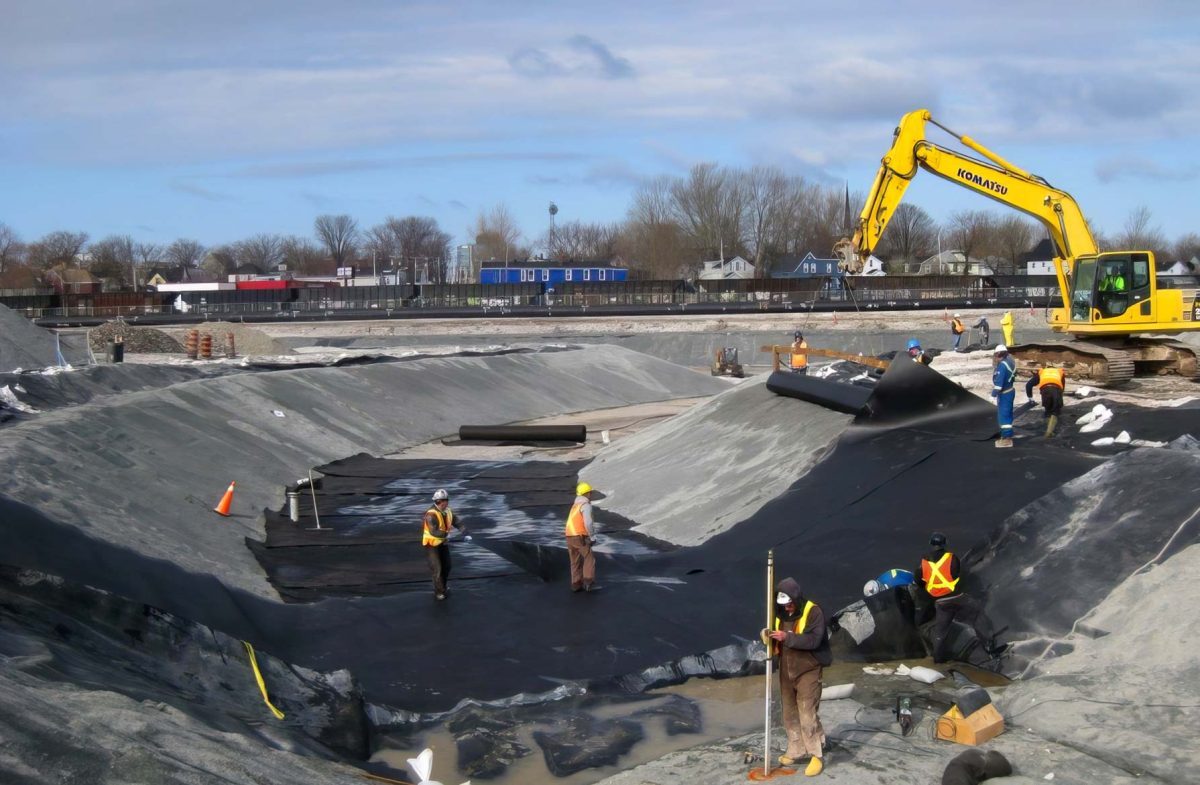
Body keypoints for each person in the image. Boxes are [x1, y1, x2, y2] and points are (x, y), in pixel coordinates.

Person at [762, 578, 830, 776]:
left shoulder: (813, 611)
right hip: (786, 668)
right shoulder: (779, 613)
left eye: (790, 603)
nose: (788, 607)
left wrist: (787, 637)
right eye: (784, 604)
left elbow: (814, 640)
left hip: (808, 668)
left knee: (807, 714)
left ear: (796, 598)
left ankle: (816, 754)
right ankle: (796, 749)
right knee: (789, 713)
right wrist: (766, 635)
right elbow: (773, 635)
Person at [917, 532, 1006, 663]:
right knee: (977, 615)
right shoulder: (950, 558)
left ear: (931, 544)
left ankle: (938, 659)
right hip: (956, 596)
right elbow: (958, 574)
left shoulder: (924, 562)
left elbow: (919, 579)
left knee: (940, 631)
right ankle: (990, 649)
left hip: (940, 601)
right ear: (944, 543)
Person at [422, 488, 468, 600]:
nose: (444, 503)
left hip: (443, 543)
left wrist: (465, 532)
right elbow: (433, 531)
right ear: (437, 502)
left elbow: (456, 521)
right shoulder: (430, 515)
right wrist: (445, 535)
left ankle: (443, 586)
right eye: (441, 501)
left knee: (447, 566)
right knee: (437, 568)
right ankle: (439, 592)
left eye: (445, 501)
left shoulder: (448, 511)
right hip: (432, 545)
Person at [565, 481, 600, 592]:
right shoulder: (585, 505)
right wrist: (592, 537)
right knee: (589, 558)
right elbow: (588, 523)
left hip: (569, 535)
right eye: (590, 493)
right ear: (587, 493)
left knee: (574, 560)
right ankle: (588, 583)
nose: (591, 495)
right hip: (579, 536)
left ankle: (576, 584)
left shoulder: (575, 506)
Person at [1026, 364, 1066, 437]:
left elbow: (1028, 385)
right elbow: (1062, 386)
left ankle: (1048, 429)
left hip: (1045, 390)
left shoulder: (1042, 372)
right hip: (1056, 390)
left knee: (1048, 411)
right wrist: (1059, 398)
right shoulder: (1059, 372)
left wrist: (1030, 397)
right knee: (1056, 412)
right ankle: (1050, 431)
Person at [991, 344, 1017, 448]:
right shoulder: (1010, 362)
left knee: (1004, 416)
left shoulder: (1002, 365)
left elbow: (998, 385)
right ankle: (1006, 436)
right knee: (1008, 415)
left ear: (998, 354)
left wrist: (993, 395)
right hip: (1009, 391)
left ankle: (1007, 439)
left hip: (1005, 394)